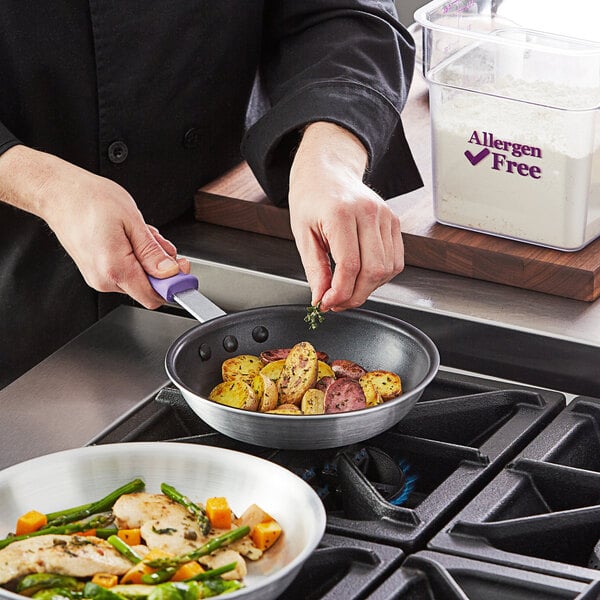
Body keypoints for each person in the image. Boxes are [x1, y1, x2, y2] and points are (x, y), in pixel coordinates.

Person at [0, 1, 422, 387]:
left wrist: (330, 153)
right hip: (19, 287)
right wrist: (47, 187)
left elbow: (340, 13)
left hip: (207, 229)